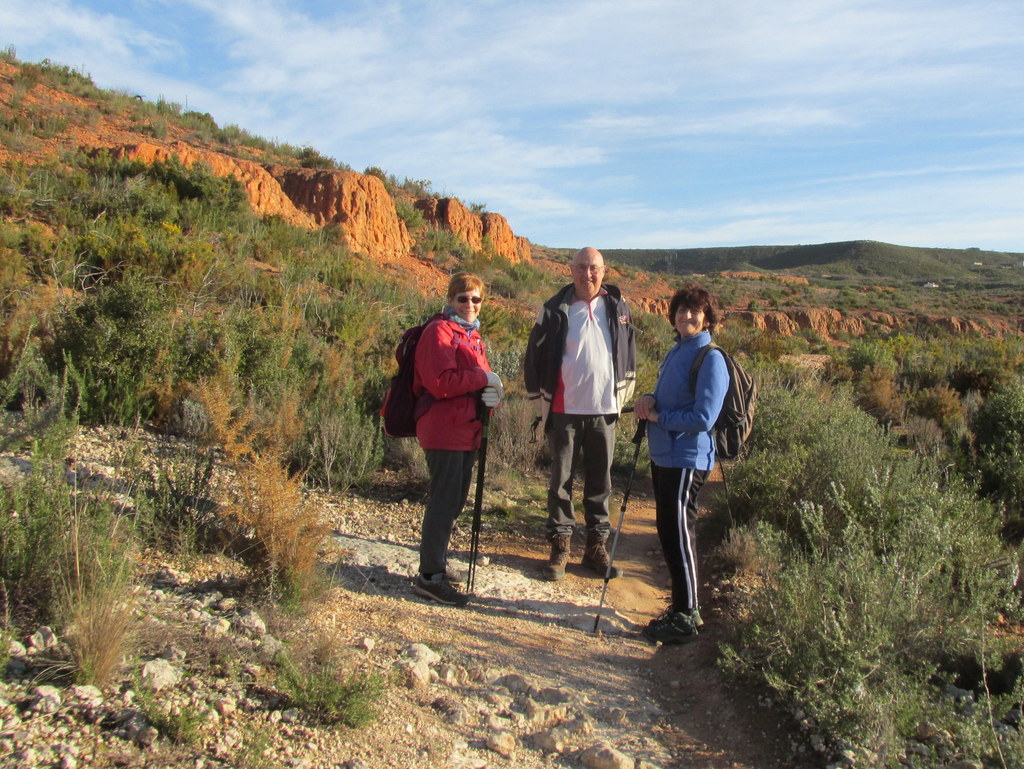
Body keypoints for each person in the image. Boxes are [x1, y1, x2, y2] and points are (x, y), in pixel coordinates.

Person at [524, 247, 636, 581]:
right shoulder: (554, 308)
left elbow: (628, 351)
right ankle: (560, 546)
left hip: (604, 409)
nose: (588, 273)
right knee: (561, 481)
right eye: (581, 267)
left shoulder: (618, 307)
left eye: (594, 268)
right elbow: (534, 356)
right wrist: (538, 401)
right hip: (564, 408)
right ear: (570, 270)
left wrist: (623, 394)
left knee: (600, 481)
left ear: (605, 271)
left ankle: (595, 548)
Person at [633, 283, 729, 644]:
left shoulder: (711, 358)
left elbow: (704, 417)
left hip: (688, 458)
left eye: (694, 311)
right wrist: (647, 399)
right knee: (668, 532)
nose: (686, 316)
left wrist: (660, 418)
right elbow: (664, 398)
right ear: (672, 315)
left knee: (679, 533)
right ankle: (679, 608)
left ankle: (688, 614)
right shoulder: (678, 351)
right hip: (666, 456)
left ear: (706, 317)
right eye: (681, 310)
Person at [412, 273, 503, 607]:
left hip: (466, 431)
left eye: (475, 299)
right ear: (450, 299)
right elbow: (441, 383)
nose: (469, 304)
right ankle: (429, 578)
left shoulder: (471, 335)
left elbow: (482, 382)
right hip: (444, 430)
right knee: (444, 501)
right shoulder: (439, 331)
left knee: (452, 501)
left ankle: (436, 563)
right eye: (462, 298)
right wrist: (483, 378)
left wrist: (492, 394)